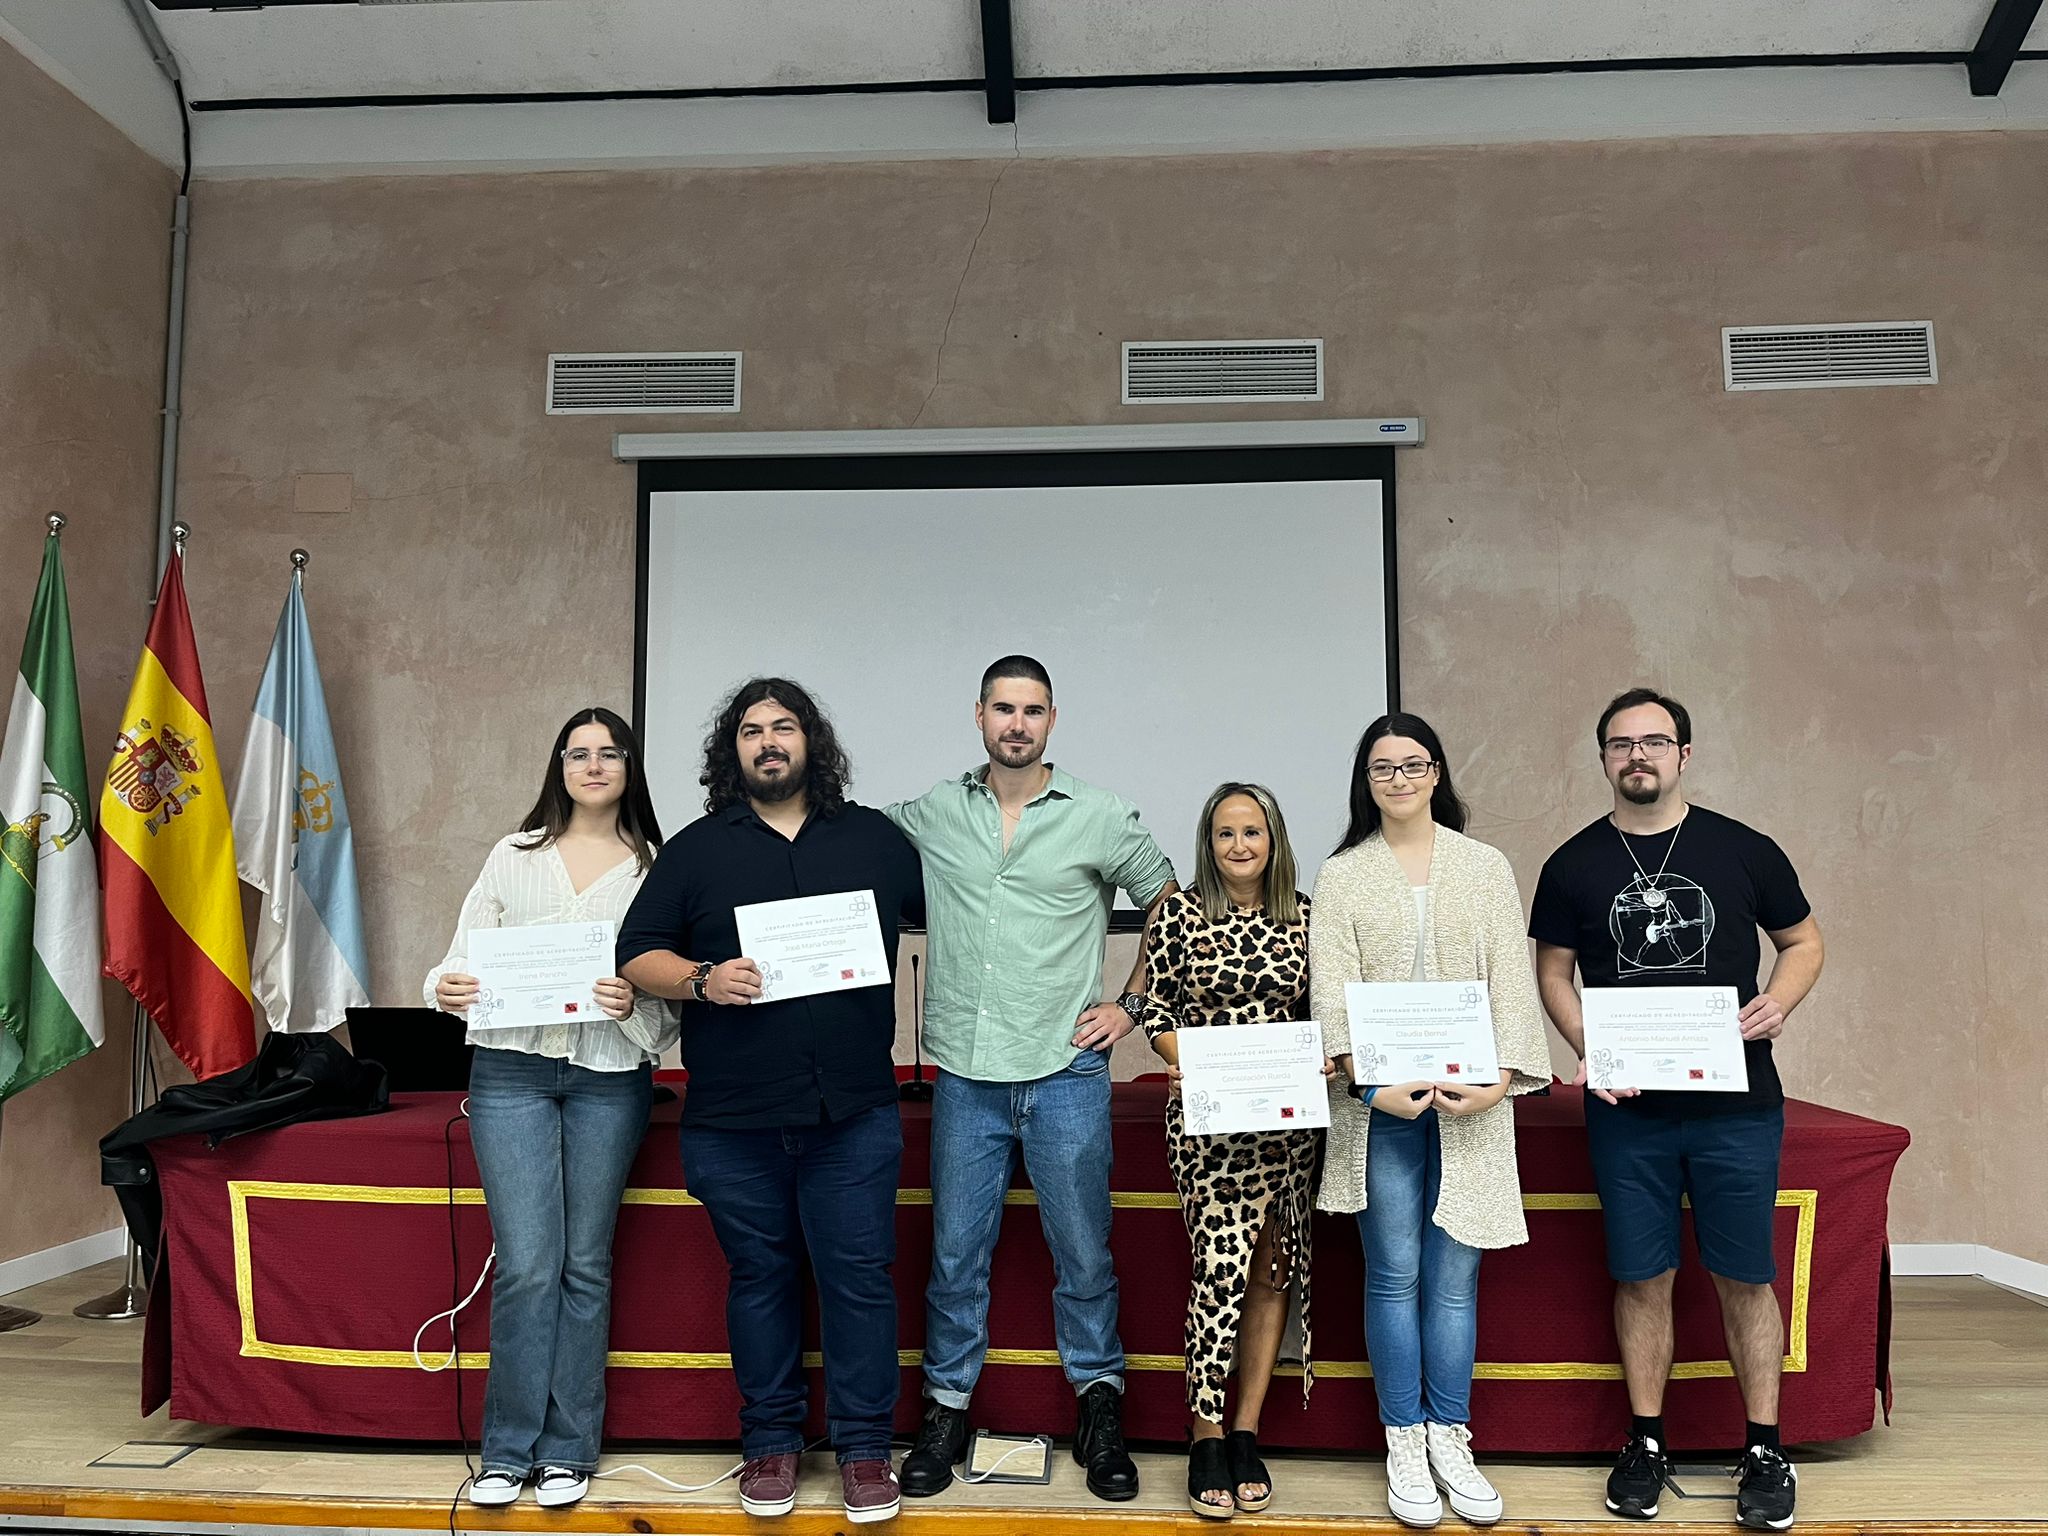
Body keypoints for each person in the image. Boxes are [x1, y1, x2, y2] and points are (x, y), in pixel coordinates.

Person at [617, 678, 924, 1526]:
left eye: (783, 726)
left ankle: (865, 1451)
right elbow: (636, 951)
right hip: (734, 1119)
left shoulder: (875, 839)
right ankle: (770, 1444)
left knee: (859, 1282)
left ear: (810, 741)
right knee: (760, 1282)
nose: (768, 742)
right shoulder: (695, 850)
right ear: (734, 751)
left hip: (852, 1113)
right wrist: (703, 979)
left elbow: (962, 913)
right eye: (751, 731)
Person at [885, 655, 1177, 1503]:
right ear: (978, 715)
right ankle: (946, 1410)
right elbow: (846, 842)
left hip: (1066, 1071)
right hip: (967, 1074)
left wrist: (1131, 1004)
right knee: (955, 1256)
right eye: (1004, 708)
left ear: (1052, 720)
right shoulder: (934, 811)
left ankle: (1100, 1406)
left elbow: (1172, 903)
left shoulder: (1098, 813)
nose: (1017, 723)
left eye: (1033, 710)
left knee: (1083, 1252)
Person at [1530, 688, 1823, 1532]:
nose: (1638, 756)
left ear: (1684, 754)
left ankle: (1763, 1449)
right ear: (1604, 758)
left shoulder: (1744, 849)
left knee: (1747, 1275)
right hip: (1629, 1111)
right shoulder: (1573, 864)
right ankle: (1647, 1442)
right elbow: (1553, 971)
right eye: (1621, 744)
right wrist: (1587, 1044)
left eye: (1654, 741)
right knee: (1641, 1275)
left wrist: (1779, 1001)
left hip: (1737, 1105)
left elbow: (1804, 941)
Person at [425, 707, 676, 1509]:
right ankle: (506, 1452)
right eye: (578, 753)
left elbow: (667, 1006)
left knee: (585, 1265)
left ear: (630, 767)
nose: (594, 765)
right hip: (511, 1074)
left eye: (610, 753)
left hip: (609, 1076)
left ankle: (569, 1451)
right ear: (559, 767)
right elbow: (457, 962)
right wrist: (446, 987)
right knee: (529, 1264)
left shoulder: (657, 867)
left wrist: (631, 1002)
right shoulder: (514, 854)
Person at [1311, 713, 1551, 1530]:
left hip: (1470, 1104)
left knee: (1454, 1283)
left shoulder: (1484, 866)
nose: (1400, 779)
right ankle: (1404, 1440)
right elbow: (1330, 987)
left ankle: (1451, 1436)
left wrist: (1501, 1082)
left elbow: (1511, 979)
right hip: (1381, 1107)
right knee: (1393, 1275)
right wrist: (1365, 1082)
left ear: (1438, 772)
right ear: (1366, 781)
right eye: (1383, 768)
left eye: (1414, 765)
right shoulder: (1344, 873)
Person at [1142, 782, 1323, 1520]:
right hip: (1210, 1129)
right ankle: (1205, 1431)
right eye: (1225, 833)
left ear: (1273, 840)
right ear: (1207, 843)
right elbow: (1153, 1007)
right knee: (1219, 1272)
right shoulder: (1179, 914)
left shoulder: (1306, 916)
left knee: (1274, 1271)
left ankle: (1245, 1429)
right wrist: (1181, 1058)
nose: (1239, 845)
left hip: (1286, 1129)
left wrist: (1322, 1059)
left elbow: (1321, 1014)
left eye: (1253, 832)